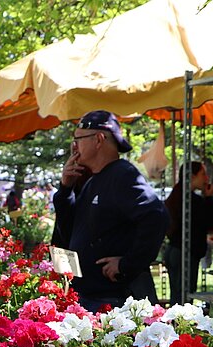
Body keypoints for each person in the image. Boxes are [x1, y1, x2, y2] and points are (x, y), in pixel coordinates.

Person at [51, 110, 169, 312]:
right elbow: (69, 228)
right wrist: (65, 189)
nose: (74, 146)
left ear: (98, 139)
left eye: (78, 139)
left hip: (113, 301)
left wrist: (127, 265)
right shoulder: (93, 179)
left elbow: (156, 215)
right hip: (91, 297)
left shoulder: (122, 175)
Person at [164, 162, 213, 305]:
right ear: (192, 176)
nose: (206, 178)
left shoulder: (179, 195)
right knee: (184, 298)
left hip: (177, 252)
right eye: (203, 174)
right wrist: (209, 199)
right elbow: (209, 223)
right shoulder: (190, 200)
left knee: (178, 296)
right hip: (183, 254)